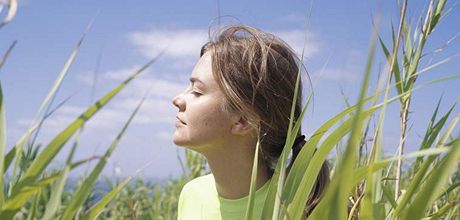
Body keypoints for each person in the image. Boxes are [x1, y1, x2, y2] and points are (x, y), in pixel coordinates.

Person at [172, 25, 329, 219]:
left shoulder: (292, 209)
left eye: (197, 91)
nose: (177, 99)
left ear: (243, 120)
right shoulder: (192, 194)